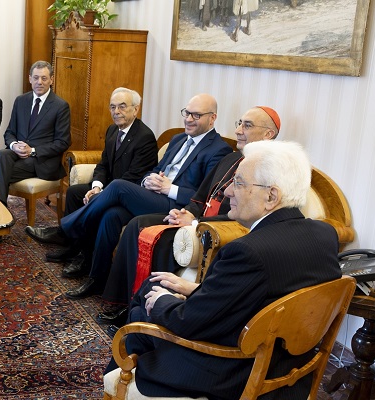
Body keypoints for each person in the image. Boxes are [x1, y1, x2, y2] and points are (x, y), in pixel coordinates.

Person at [106, 140, 341, 399]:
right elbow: (264, 294)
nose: (227, 191)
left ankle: (115, 386)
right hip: (287, 363)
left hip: (236, 370)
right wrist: (196, 289)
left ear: (271, 196)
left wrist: (162, 302)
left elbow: (187, 322)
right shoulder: (324, 235)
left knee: (141, 315)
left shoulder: (248, 252)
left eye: (238, 183)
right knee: (157, 287)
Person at [98, 106, 280, 326]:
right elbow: (200, 196)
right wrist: (186, 211)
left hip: (214, 229)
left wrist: (195, 222)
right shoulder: (231, 158)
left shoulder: (268, 170)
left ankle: (153, 314)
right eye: (239, 123)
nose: (238, 130)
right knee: (138, 224)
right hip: (195, 220)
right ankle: (124, 303)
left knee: (161, 241)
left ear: (268, 134)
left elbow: (244, 216)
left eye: (247, 125)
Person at [46, 94, 232, 299]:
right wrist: (148, 180)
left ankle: (65, 230)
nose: (188, 119)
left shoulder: (219, 150)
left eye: (196, 115)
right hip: (153, 194)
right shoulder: (178, 139)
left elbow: (204, 195)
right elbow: (155, 170)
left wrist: (169, 188)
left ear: (212, 118)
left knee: (118, 186)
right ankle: (97, 279)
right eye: (186, 113)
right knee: (111, 215)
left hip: (174, 204)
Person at [25, 87, 159, 273]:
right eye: (112, 107)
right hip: (109, 188)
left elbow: (133, 177)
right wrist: (97, 187)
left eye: (122, 106)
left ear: (135, 109)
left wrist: (102, 194)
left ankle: (83, 257)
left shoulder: (145, 137)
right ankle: (72, 248)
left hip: (127, 195)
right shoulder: (112, 130)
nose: (116, 111)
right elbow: (103, 165)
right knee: (74, 192)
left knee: (98, 204)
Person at [0, 61, 71, 249]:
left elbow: (63, 142)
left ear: (51, 79)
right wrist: (14, 145)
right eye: (36, 78)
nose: (39, 82)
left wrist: (33, 150)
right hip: (18, 157)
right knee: (3, 154)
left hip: (42, 162)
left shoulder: (60, 106)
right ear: (29, 79)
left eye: (44, 78)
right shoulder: (21, 101)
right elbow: (9, 132)